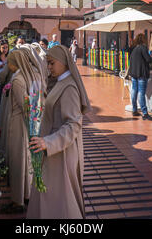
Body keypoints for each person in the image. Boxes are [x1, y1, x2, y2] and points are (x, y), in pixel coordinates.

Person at [26, 44, 91, 219]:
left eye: (51, 63)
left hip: (61, 151)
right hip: (54, 150)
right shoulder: (60, 83)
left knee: (61, 199)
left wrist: (48, 142)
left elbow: (73, 125)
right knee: (54, 197)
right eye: (48, 63)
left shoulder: (69, 88)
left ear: (63, 62)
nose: (49, 67)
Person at [0, 48, 44, 213]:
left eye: (9, 62)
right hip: (28, 125)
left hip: (18, 125)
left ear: (15, 63)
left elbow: (26, 106)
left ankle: (17, 200)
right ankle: (26, 194)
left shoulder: (18, 79)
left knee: (18, 162)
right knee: (26, 161)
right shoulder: (30, 75)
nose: (7, 65)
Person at [128, 33, 152, 121]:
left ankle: (134, 109)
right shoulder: (143, 48)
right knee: (141, 93)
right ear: (143, 40)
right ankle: (145, 113)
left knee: (134, 91)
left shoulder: (133, 48)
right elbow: (148, 59)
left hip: (134, 73)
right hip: (141, 74)